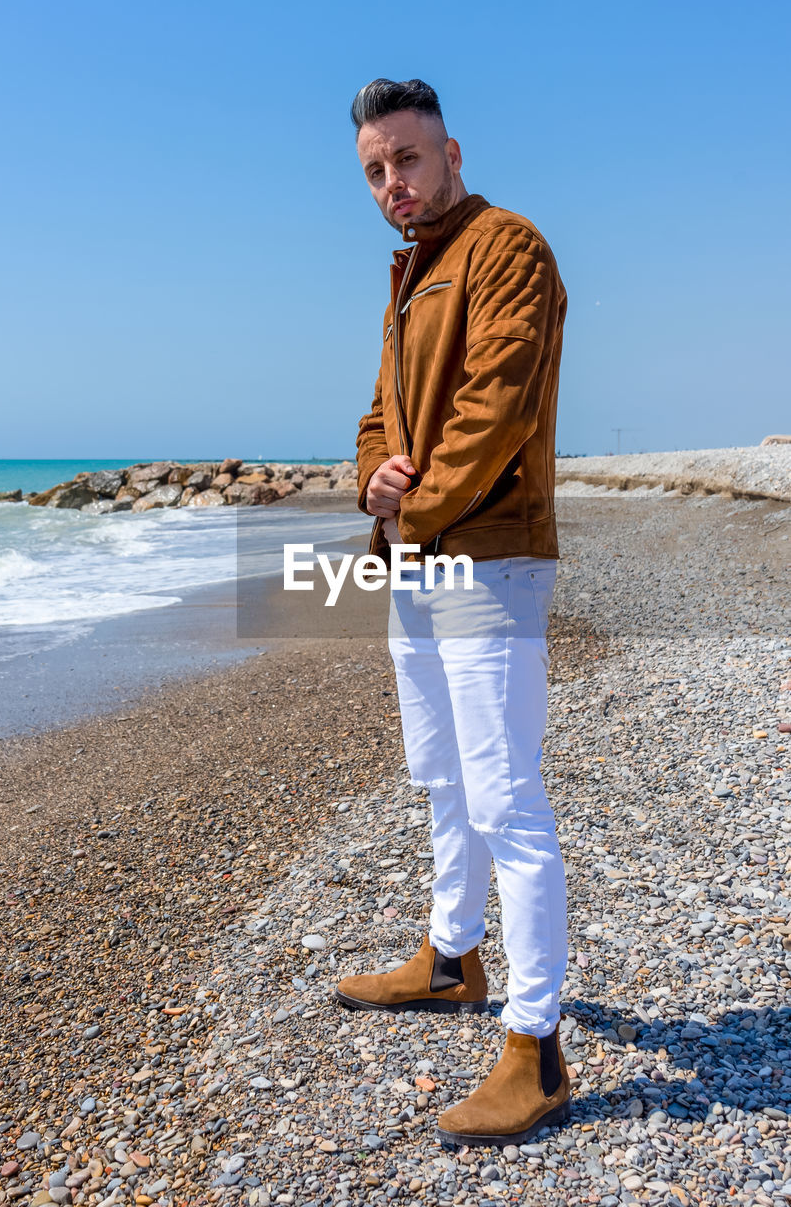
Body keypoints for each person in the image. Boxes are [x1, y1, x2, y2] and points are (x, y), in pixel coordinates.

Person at [334, 78, 572, 1148]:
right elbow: (380, 412)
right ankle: (449, 956)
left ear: (452, 151)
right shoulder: (408, 274)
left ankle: (537, 1046)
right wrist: (368, 483)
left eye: (409, 160)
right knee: (439, 775)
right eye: (377, 170)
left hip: (489, 557)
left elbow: (498, 401)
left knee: (506, 795)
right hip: (418, 557)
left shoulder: (505, 246)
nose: (394, 183)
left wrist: (414, 499)